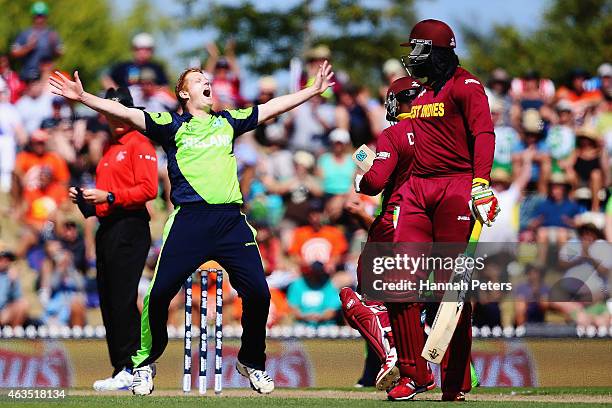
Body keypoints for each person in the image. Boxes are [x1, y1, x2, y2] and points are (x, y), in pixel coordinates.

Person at [50, 59, 334, 396]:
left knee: (259, 293)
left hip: (230, 222)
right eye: (199, 79)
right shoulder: (171, 125)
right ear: (185, 92)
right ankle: (143, 365)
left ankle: (252, 361)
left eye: (207, 78)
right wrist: (83, 98)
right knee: (157, 297)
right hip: (189, 221)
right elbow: (128, 115)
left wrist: (310, 90)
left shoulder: (227, 122)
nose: (207, 81)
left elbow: (271, 108)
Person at [393, 19, 498, 401]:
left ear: (439, 52)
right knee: (398, 279)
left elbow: (484, 133)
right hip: (417, 189)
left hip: (456, 186)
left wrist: (481, 184)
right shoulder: (419, 92)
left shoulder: (466, 86)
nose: (413, 58)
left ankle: (455, 383)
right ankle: (413, 374)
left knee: (450, 290)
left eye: (419, 50)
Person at [67, 87, 158, 391]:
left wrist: (108, 195)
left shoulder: (139, 142)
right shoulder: (108, 148)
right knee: (108, 299)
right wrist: (84, 201)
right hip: (109, 227)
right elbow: (103, 204)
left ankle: (136, 365)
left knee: (122, 298)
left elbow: (148, 190)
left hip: (131, 227)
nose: (115, 118)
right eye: (110, 113)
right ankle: (122, 367)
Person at [342, 76, 422, 392]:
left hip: (395, 221)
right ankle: (454, 366)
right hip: (435, 224)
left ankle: (393, 354)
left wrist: (363, 180)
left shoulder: (395, 132)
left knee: (357, 297)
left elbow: (375, 182)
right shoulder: (446, 135)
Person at [11, 1, 63, 79]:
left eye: (42, 16)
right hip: (28, 75)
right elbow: (14, 52)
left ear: (46, 17)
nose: (39, 19)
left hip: (46, 77)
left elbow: (60, 52)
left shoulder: (51, 34)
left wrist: (53, 46)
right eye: (37, 16)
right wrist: (28, 47)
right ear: (33, 17)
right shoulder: (25, 33)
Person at [104, 33, 169, 89]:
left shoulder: (157, 68)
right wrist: (116, 93)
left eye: (146, 49)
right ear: (133, 49)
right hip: (125, 102)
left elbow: (164, 87)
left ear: (152, 51)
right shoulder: (123, 66)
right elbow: (107, 79)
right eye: (139, 49)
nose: (142, 52)